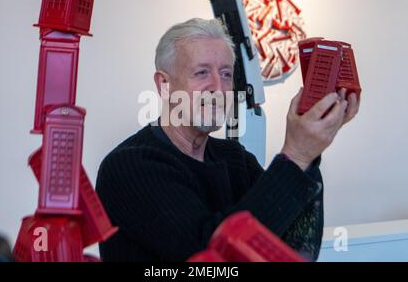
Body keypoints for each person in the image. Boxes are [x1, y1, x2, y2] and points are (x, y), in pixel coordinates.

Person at [96, 18, 360, 262]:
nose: (218, 88)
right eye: (201, 73)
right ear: (164, 85)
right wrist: (296, 156)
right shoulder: (129, 166)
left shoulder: (235, 159)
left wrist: (310, 153)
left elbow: (298, 249)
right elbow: (211, 258)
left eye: (225, 74)